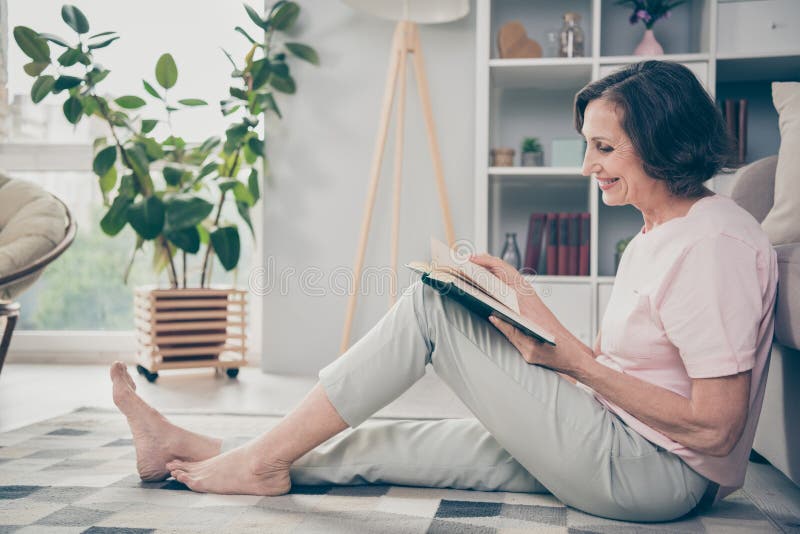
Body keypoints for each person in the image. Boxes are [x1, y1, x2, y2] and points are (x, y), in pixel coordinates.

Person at [110, 60, 778, 522]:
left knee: (431, 306)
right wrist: (527, 305)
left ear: (661, 143)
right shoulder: (662, 230)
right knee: (404, 444)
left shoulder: (712, 243)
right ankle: (196, 450)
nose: (587, 166)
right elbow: (618, 367)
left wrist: (567, 361)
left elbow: (716, 428)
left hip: (652, 477)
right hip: (617, 443)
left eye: (603, 148)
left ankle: (252, 462)